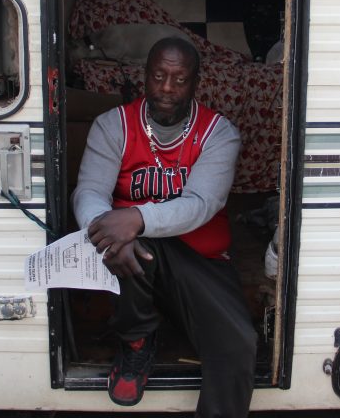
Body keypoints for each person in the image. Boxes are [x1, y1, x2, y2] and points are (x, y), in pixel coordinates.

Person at [72, 37, 257, 417]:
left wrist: (136, 217)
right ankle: (137, 341)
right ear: (145, 76)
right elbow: (89, 190)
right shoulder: (113, 125)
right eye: (158, 76)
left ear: (195, 82)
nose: (167, 89)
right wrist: (104, 230)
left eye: (179, 79)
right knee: (131, 246)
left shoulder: (219, 133)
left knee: (240, 344)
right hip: (132, 255)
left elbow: (201, 204)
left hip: (201, 258)